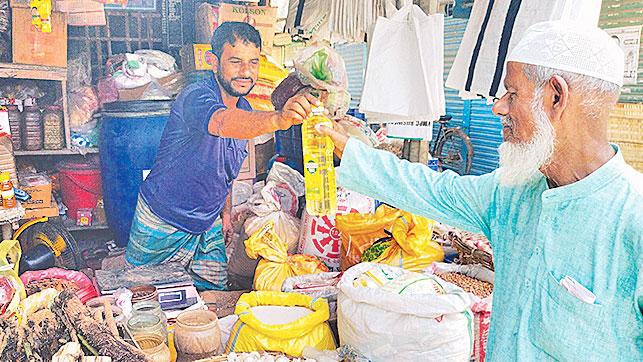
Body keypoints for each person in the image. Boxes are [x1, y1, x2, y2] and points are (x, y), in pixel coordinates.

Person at [318, 21, 642, 360]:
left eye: (512, 94)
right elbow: (430, 190)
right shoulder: (513, 193)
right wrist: (348, 149)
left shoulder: (633, 219)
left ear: (555, 97)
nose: (498, 107)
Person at [125, 22, 318, 290]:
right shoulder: (196, 96)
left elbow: (225, 169)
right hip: (163, 221)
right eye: (235, 61)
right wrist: (278, 118)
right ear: (213, 61)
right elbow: (221, 122)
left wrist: (225, 214)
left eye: (253, 63)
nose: (246, 72)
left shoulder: (245, 107)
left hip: (207, 224)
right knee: (142, 301)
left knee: (213, 298)